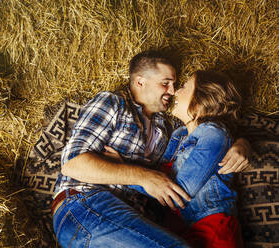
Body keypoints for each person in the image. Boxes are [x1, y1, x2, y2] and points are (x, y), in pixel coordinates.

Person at [52, 50, 250, 247]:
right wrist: (143, 177)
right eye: (166, 83)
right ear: (140, 82)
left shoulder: (166, 130)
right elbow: (72, 165)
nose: (172, 91)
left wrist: (242, 143)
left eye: (176, 85)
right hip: (86, 205)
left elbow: (209, 135)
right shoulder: (113, 103)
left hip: (134, 221)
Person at [125, 70, 244, 247]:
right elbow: (158, 175)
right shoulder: (178, 135)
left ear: (203, 98)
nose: (175, 92)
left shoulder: (214, 133)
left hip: (211, 227)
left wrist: (121, 170)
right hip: (178, 229)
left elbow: (178, 192)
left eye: (183, 87)